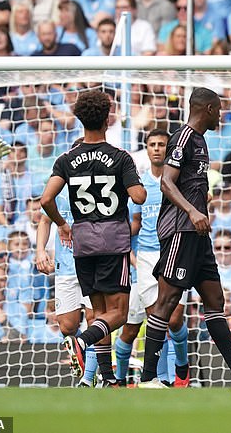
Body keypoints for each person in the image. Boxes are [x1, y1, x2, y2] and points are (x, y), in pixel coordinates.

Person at [138, 87, 231, 388]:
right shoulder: (183, 138)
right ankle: (148, 377)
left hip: (197, 234)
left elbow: (184, 184)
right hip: (180, 232)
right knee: (167, 301)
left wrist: (202, 200)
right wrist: (192, 210)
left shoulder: (200, 141)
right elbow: (166, 183)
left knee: (215, 300)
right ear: (209, 109)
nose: (222, 115)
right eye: (220, 109)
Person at [40, 89, 147, 386]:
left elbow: (46, 199)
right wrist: (131, 181)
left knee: (99, 312)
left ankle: (108, 378)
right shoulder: (120, 157)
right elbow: (138, 198)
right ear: (108, 117)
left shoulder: (66, 158)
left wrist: (62, 224)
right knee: (119, 314)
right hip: (113, 241)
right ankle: (83, 342)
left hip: (82, 242)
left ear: (78, 118)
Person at [115, 129, 191, 387]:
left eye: (162, 144)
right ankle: (163, 379)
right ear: (147, 149)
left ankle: (182, 364)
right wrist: (119, 241)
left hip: (175, 251)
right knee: (156, 319)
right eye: (152, 144)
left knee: (176, 319)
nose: (157, 148)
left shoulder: (179, 181)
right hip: (147, 256)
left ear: (169, 149)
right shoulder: (140, 185)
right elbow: (135, 222)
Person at [36, 173, 98, 387]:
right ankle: (84, 353)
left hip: (93, 267)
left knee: (94, 320)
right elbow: (44, 220)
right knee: (66, 327)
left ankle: (89, 378)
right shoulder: (57, 190)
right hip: (65, 268)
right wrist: (40, 251)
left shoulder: (98, 186)